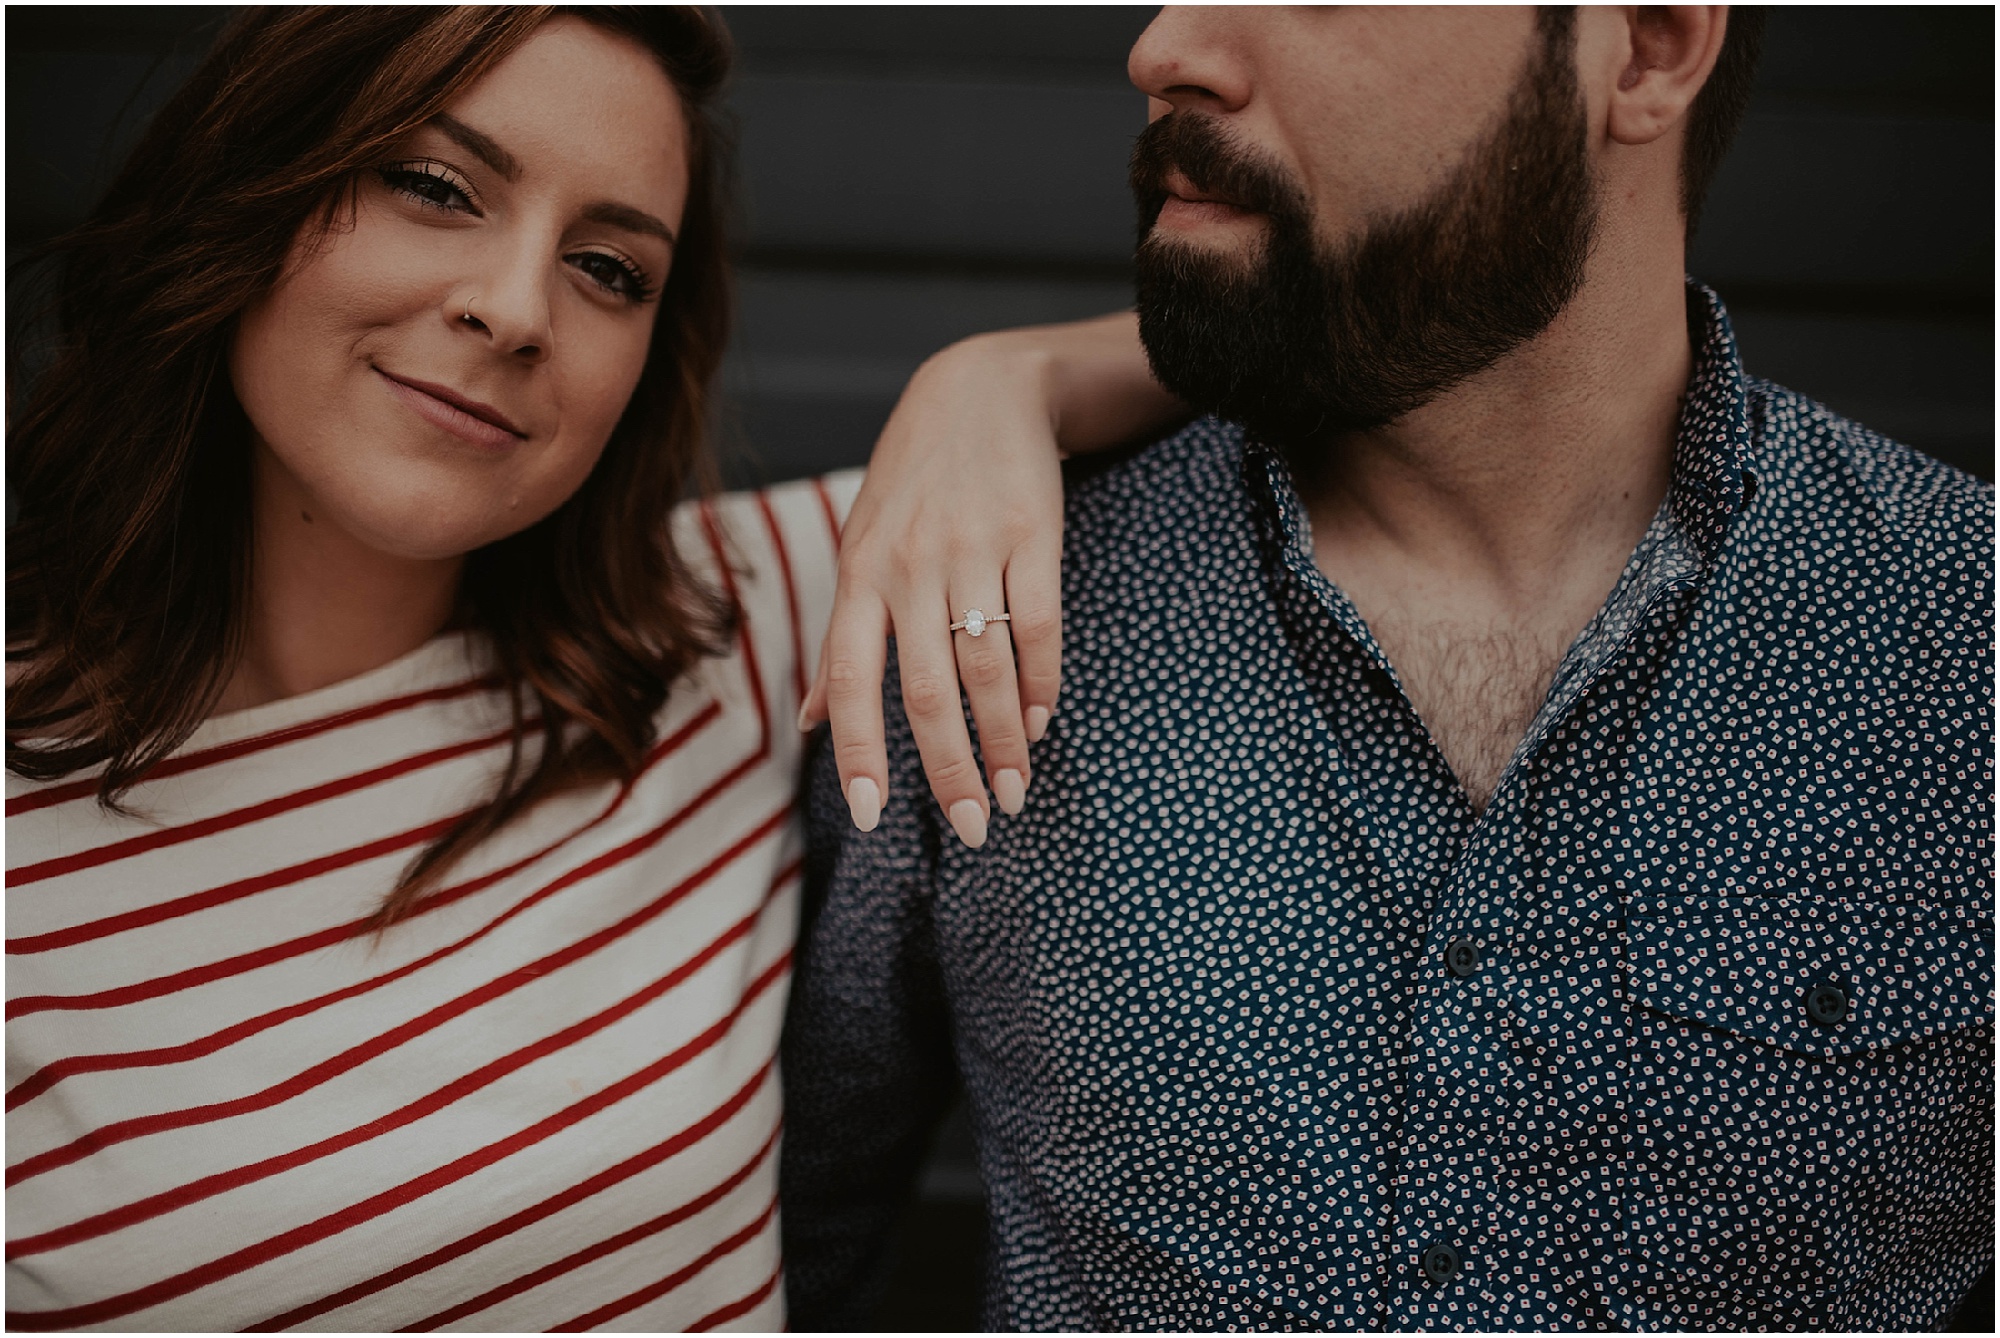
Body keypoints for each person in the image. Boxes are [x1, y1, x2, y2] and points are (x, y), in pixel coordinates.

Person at [783, 5, 1994, 1330]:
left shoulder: (1961, 637)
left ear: (1645, 48)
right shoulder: (988, 595)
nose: (1162, 48)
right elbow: (779, 1252)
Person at [4, 7, 1164, 1330]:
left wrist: (996, 378)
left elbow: (1279, 364)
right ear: (247, 184)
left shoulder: (720, 628)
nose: (512, 310)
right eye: (435, 187)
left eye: (609, 269)